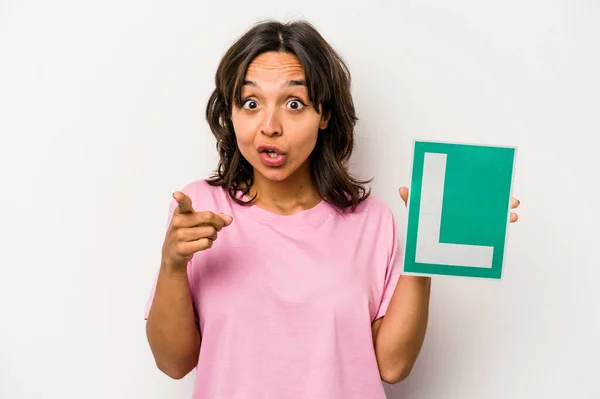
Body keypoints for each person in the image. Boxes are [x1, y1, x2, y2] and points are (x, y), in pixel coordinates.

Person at [144, 19, 520, 399]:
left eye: (294, 104)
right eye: (251, 102)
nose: (270, 126)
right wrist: (172, 264)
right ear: (232, 112)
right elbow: (174, 363)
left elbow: (393, 365)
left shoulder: (372, 221)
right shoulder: (200, 210)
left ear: (324, 114)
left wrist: (429, 245)